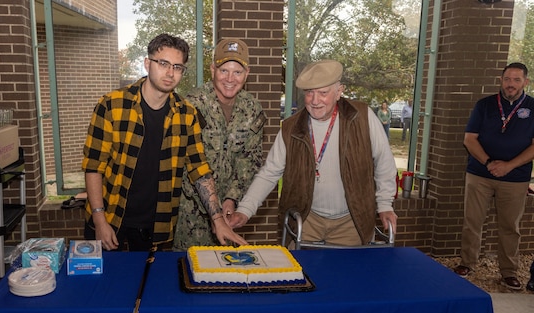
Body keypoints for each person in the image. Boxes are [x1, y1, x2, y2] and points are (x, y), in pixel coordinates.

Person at [81, 33, 247, 252]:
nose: (170, 73)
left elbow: (199, 170)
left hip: (156, 228)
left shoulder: (186, 114)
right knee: (104, 286)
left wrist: (217, 220)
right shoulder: (112, 105)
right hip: (110, 219)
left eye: (178, 67)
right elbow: (93, 167)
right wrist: (100, 221)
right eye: (163, 64)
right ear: (147, 64)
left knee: (151, 285)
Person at [229, 60, 398, 247]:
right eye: (309, 93)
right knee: (300, 273)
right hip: (306, 219)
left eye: (323, 93)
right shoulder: (291, 127)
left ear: (339, 91)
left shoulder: (362, 117)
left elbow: (384, 163)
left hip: (352, 222)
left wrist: (384, 204)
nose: (315, 101)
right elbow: (269, 173)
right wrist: (245, 210)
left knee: (345, 275)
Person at [173, 39, 265, 250]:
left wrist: (231, 199)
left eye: (237, 72)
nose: (230, 79)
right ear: (212, 69)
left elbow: (249, 160)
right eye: (224, 70)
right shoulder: (191, 105)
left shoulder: (252, 109)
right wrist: (214, 211)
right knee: (188, 274)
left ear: (247, 73)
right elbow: (188, 164)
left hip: (229, 214)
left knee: (226, 275)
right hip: (191, 214)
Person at [453, 62, 534, 290]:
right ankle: (467, 263)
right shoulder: (485, 105)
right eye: (508, 79)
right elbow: (469, 139)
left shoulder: (532, 107)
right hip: (480, 174)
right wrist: (489, 163)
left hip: (515, 178)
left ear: (525, 82)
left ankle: (509, 272)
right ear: (501, 80)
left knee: (510, 227)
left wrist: (509, 166)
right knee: (472, 221)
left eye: (517, 80)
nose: (511, 84)